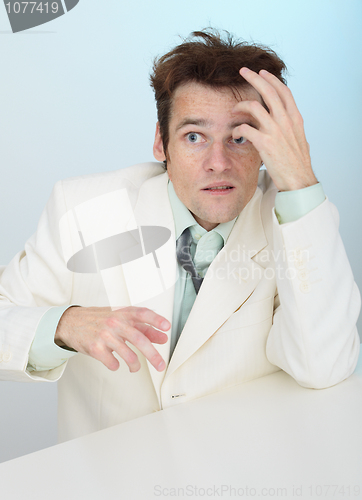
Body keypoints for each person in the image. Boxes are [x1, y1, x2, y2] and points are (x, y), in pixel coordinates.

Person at [0, 30, 360, 442]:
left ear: (268, 147)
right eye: (194, 137)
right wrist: (62, 324)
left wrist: (300, 179)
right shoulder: (81, 208)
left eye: (240, 138)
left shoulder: (295, 223)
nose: (218, 163)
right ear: (161, 142)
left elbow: (325, 365)